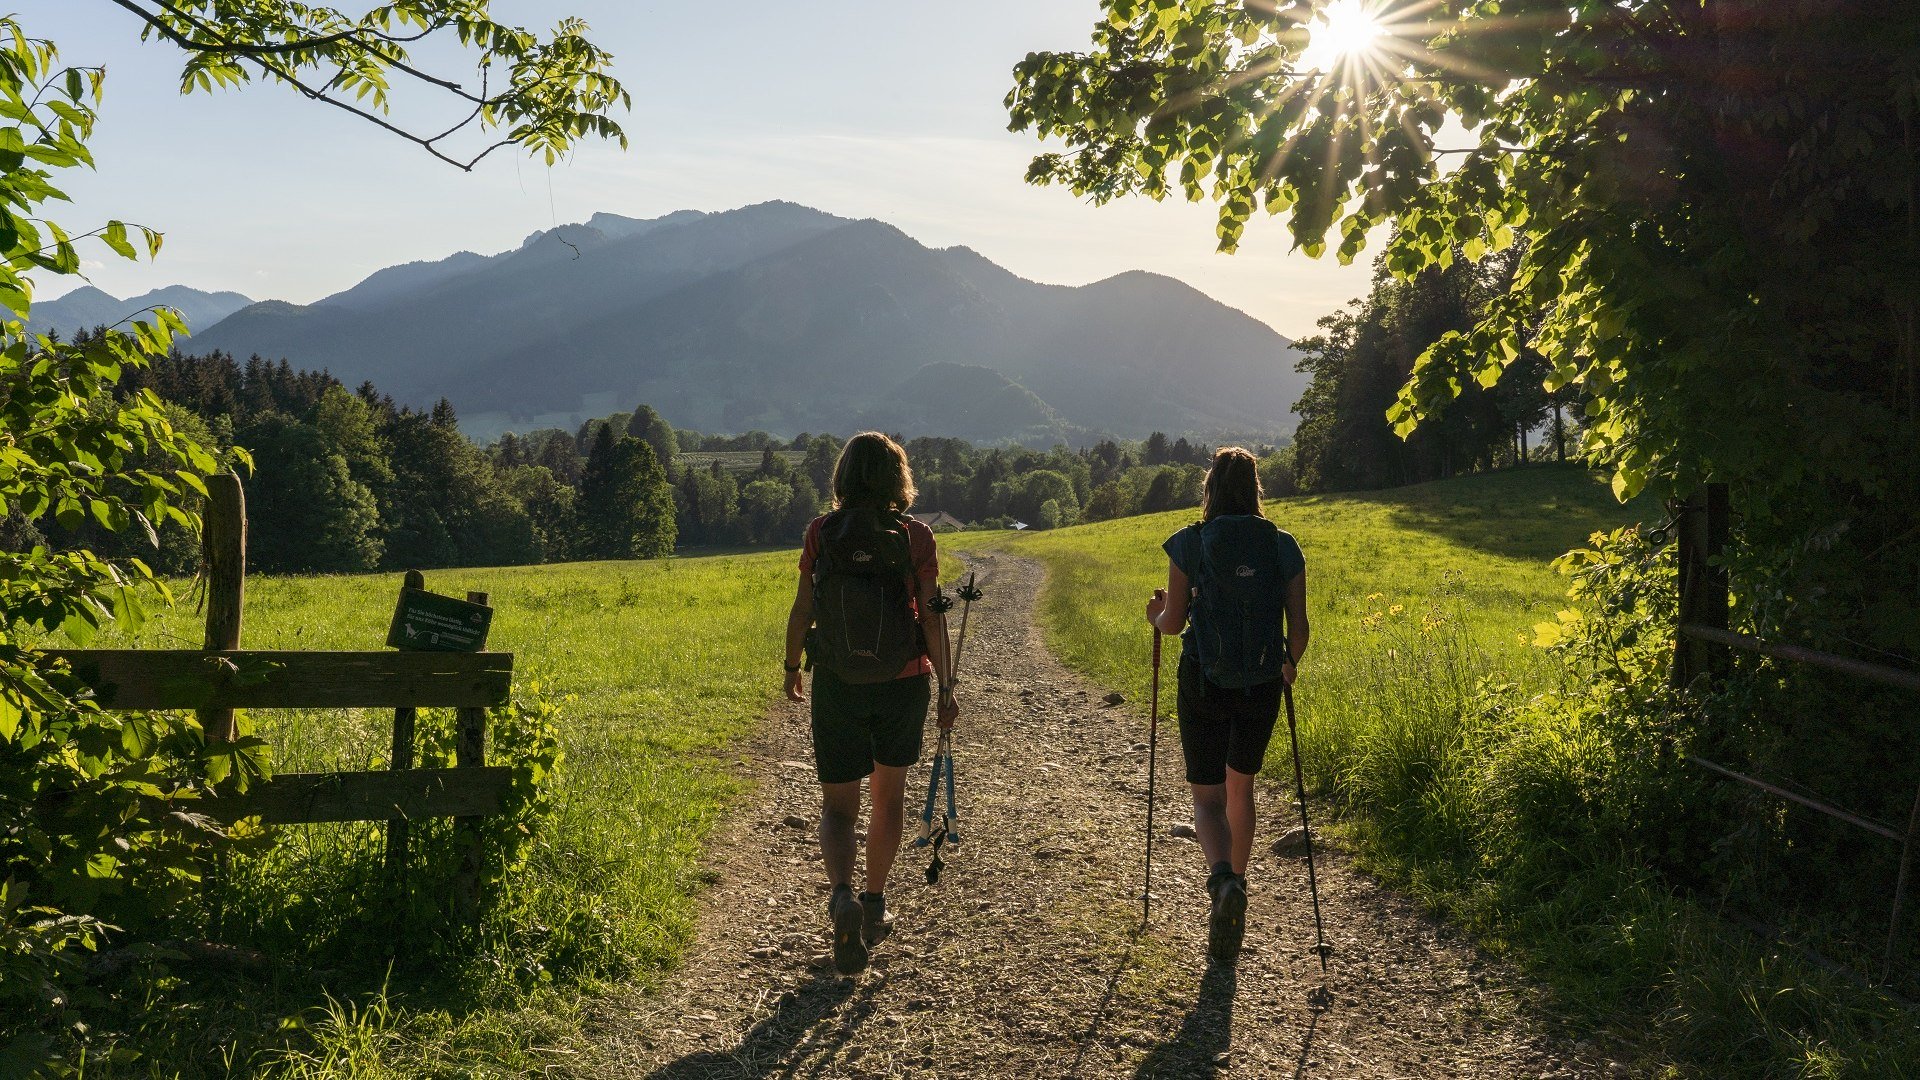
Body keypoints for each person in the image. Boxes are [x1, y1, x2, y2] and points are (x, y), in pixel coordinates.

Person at [784, 432, 960, 975]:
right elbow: (930, 616)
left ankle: (841, 896)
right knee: (888, 799)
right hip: (902, 681)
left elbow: (802, 610)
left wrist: (792, 668)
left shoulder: (821, 532)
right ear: (896, 479)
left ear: (842, 477)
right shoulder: (916, 537)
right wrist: (948, 688)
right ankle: (875, 903)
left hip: (837, 682)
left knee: (838, 807)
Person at [1145, 446, 1309, 964]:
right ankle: (1239, 882)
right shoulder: (1284, 546)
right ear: (1256, 488)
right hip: (1262, 684)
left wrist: (1154, 615)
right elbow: (1298, 629)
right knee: (1243, 789)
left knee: (1207, 801)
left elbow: (1172, 624)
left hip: (1204, 680)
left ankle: (1221, 886)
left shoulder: (1190, 543)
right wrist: (1289, 665)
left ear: (1211, 488)